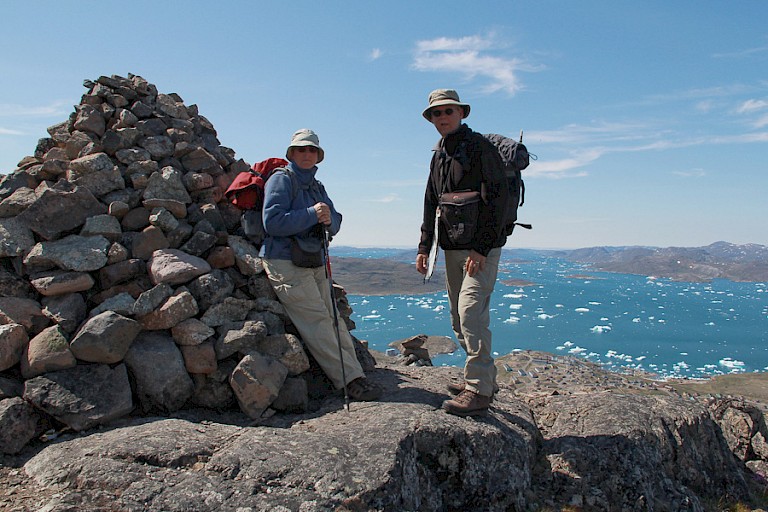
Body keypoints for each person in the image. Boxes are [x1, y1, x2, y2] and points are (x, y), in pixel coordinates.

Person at [261, 128, 381, 402]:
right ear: (291, 154)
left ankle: (356, 375)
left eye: (311, 150)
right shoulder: (281, 180)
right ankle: (350, 381)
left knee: (332, 320)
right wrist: (311, 214)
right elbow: (273, 222)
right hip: (285, 260)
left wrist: (327, 218)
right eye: (301, 150)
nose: (306, 154)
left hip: (311, 258)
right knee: (317, 321)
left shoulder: (316, 186)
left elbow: (334, 220)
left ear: (318, 156)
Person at [416, 90, 509, 417]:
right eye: (436, 114)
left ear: (461, 113)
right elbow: (431, 202)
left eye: (448, 111)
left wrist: (482, 247)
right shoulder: (439, 155)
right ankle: (485, 378)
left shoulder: (480, 149)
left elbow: (498, 201)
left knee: (470, 313)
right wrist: (424, 246)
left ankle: (479, 390)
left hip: (478, 250)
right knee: (458, 318)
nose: (442, 118)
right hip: (451, 247)